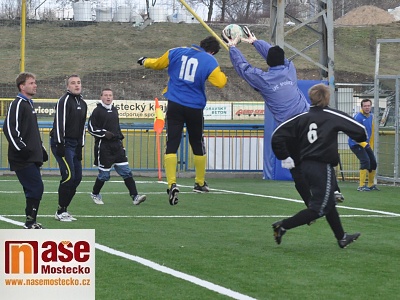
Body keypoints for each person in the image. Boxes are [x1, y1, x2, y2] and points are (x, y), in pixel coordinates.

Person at [222, 26, 344, 205]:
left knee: (297, 170)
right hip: (307, 122)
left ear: (268, 62)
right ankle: (334, 190)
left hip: (288, 130)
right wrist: (256, 42)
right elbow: (276, 57)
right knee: (321, 156)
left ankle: (311, 205)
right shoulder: (290, 69)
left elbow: (243, 68)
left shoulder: (264, 80)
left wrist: (233, 48)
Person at [271, 83, 367, 248]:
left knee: (328, 203)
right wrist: (359, 137)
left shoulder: (301, 117)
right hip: (322, 166)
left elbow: (276, 136)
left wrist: (284, 156)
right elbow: (360, 130)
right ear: (327, 97)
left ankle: (342, 237)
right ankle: (283, 226)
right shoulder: (331, 115)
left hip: (305, 166)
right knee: (318, 209)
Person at [137, 36, 227, 205]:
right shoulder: (210, 60)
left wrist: (144, 61)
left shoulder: (176, 51)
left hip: (175, 104)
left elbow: (157, 64)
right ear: (213, 51)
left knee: (172, 143)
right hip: (194, 107)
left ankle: (171, 183)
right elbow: (220, 83)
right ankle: (199, 182)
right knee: (197, 142)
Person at [3, 72, 48, 229]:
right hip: (22, 158)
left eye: (35, 82)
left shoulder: (29, 104)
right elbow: (9, 129)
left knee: (34, 188)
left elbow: (31, 132)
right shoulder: (17, 104)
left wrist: (41, 149)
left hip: (31, 157)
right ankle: (30, 222)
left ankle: (31, 222)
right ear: (22, 86)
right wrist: (23, 150)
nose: (35, 85)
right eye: (31, 83)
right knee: (36, 187)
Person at [87, 88, 146, 205]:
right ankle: (95, 193)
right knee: (104, 175)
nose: (108, 97)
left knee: (127, 172)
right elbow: (91, 128)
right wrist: (104, 134)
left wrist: (120, 141)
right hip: (103, 147)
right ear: (101, 97)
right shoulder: (97, 111)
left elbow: (117, 127)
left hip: (117, 147)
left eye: (110, 95)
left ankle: (135, 196)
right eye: (106, 95)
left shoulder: (114, 110)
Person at [50, 74, 87, 222]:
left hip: (74, 145)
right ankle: (59, 212)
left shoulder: (83, 103)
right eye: (73, 83)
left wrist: (80, 147)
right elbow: (59, 123)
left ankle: (65, 209)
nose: (76, 85)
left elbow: (82, 127)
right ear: (67, 86)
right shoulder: (64, 101)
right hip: (63, 144)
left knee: (77, 178)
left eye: (78, 82)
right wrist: (60, 144)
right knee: (68, 176)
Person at [348, 99, 379, 191]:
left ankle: (370, 185)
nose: (367, 107)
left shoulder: (371, 116)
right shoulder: (358, 117)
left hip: (366, 144)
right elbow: (352, 133)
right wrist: (363, 143)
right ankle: (361, 186)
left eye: (368, 105)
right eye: (365, 106)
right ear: (362, 107)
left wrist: (370, 144)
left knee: (373, 163)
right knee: (365, 161)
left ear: (371, 106)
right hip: (355, 144)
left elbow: (371, 132)